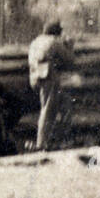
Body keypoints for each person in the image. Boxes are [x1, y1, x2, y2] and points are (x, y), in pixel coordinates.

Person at [29, 21, 74, 150]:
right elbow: (69, 59)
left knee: (60, 105)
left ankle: (57, 140)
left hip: (35, 77)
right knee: (48, 110)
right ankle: (41, 144)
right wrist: (69, 45)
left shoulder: (35, 41)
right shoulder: (54, 41)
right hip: (48, 79)